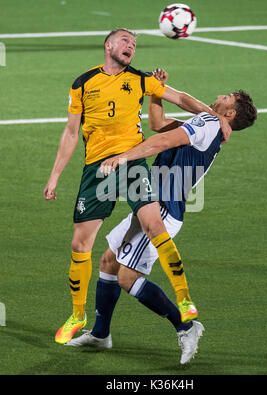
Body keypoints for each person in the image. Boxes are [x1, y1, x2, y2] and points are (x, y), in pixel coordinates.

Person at [43, 29, 232, 345]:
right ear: (109, 45)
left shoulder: (142, 79)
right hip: (96, 167)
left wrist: (212, 114)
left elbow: (181, 99)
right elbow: (71, 133)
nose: (131, 45)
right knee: (83, 246)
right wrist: (54, 177)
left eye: (134, 43)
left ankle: (185, 316)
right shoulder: (82, 83)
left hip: (131, 163)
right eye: (125, 41)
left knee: (150, 226)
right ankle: (84, 320)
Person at [65, 69, 257, 364]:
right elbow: (157, 125)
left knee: (127, 277)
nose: (219, 96)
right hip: (152, 200)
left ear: (230, 112)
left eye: (225, 97)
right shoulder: (207, 123)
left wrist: (123, 157)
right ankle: (101, 334)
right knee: (108, 262)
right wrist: (158, 90)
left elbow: (161, 144)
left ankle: (187, 326)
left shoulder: (208, 124)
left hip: (163, 207)